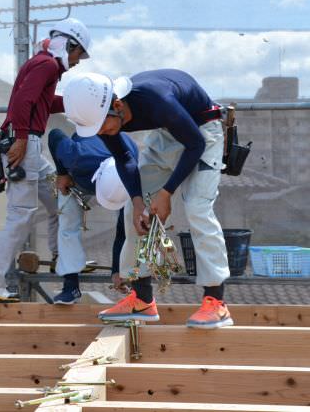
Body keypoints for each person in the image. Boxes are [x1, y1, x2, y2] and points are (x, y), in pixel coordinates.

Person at [63, 69, 233, 329]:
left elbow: (195, 144)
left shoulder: (157, 100)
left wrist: (166, 193)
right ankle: (142, 300)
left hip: (203, 132)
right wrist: (139, 200)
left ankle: (216, 303)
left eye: (102, 126)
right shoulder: (104, 120)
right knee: (134, 211)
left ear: (117, 105)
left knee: (197, 208)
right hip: (168, 132)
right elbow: (124, 158)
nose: (101, 133)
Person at [0, 18, 91, 303]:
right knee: (21, 215)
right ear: (69, 45)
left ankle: (63, 257)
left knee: (60, 199)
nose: (78, 61)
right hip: (25, 144)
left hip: (28, 145)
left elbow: (43, 102)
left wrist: (79, 101)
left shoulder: (42, 64)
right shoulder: (48, 65)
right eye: (78, 54)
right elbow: (24, 101)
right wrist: (22, 139)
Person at [47, 128, 138, 304]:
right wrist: (62, 173)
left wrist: (117, 270)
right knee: (67, 222)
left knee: (128, 224)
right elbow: (55, 134)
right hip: (78, 178)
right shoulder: (76, 157)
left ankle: (133, 282)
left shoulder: (132, 168)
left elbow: (123, 231)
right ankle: (70, 286)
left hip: (120, 181)